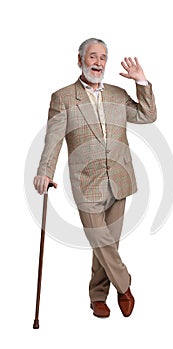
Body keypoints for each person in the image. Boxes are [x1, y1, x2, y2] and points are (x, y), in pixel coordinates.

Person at [33, 38, 157, 318]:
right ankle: (124, 285)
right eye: (92, 56)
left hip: (120, 179)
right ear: (80, 61)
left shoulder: (117, 94)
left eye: (102, 57)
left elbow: (148, 116)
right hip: (85, 182)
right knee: (100, 239)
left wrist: (142, 83)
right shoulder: (63, 97)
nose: (98, 62)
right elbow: (53, 140)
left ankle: (97, 296)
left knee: (109, 243)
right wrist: (45, 171)